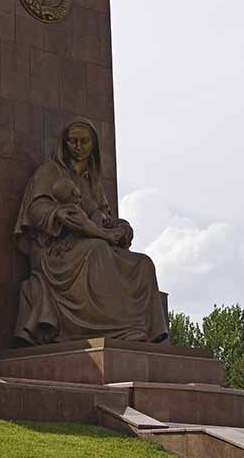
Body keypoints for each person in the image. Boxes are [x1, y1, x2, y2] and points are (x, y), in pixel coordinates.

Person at [14, 117, 169, 345]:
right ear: (64, 143)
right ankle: (116, 330)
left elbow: (101, 217)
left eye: (84, 141)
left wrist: (121, 228)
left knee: (143, 263)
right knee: (97, 251)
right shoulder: (49, 172)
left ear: (93, 145)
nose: (78, 146)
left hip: (89, 241)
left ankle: (142, 330)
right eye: (73, 141)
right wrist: (57, 214)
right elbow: (35, 209)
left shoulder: (92, 181)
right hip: (55, 251)